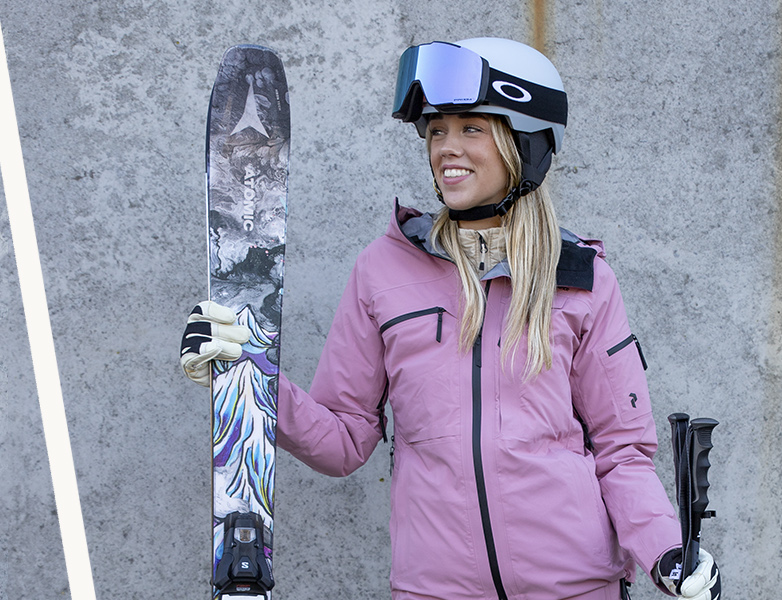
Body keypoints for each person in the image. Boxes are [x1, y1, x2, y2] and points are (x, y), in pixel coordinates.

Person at [180, 38, 721, 600]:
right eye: (437, 131)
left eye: (471, 128)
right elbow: (342, 440)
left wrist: (668, 553)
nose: (446, 148)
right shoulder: (383, 271)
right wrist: (249, 376)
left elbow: (622, 453)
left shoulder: (581, 280)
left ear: (525, 142)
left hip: (575, 586)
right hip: (435, 588)